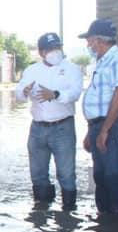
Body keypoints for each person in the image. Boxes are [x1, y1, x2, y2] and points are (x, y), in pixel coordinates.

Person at [14, 32, 83, 209]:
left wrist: (56, 95)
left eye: (57, 47)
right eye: (50, 49)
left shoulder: (72, 69)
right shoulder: (31, 70)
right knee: (38, 174)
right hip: (37, 129)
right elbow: (18, 94)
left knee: (66, 174)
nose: (55, 51)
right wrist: (24, 92)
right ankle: (42, 212)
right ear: (41, 52)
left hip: (63, 128)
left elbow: (75, 93)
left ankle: (68, 214)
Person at [79, 18, 118, 216]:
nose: (88, 44)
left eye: (89, 40)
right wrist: (92, 131)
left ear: (97, 40)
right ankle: (105, 223)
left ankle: (117, 226)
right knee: (100, 175)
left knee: (113, 174)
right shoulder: (102, 61)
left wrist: (104, 130)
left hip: (111, 125)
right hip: (98, 126)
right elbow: (99, 99)